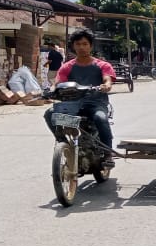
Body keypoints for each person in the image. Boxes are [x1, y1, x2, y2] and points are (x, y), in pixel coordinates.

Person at [43, 29, 117, 168]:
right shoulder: (67, 67)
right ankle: (63, 141)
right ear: (73, 46)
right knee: (50, 114)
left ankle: (108, 153)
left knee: (101, 118)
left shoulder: (102, 65)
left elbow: (107, 79)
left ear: (91, 46)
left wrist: (106, 85)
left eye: (85, 44)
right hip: (72, 105)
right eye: (78, 44)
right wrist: (51, 91)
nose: (81, 47)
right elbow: (57, 83)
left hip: (96, 103)